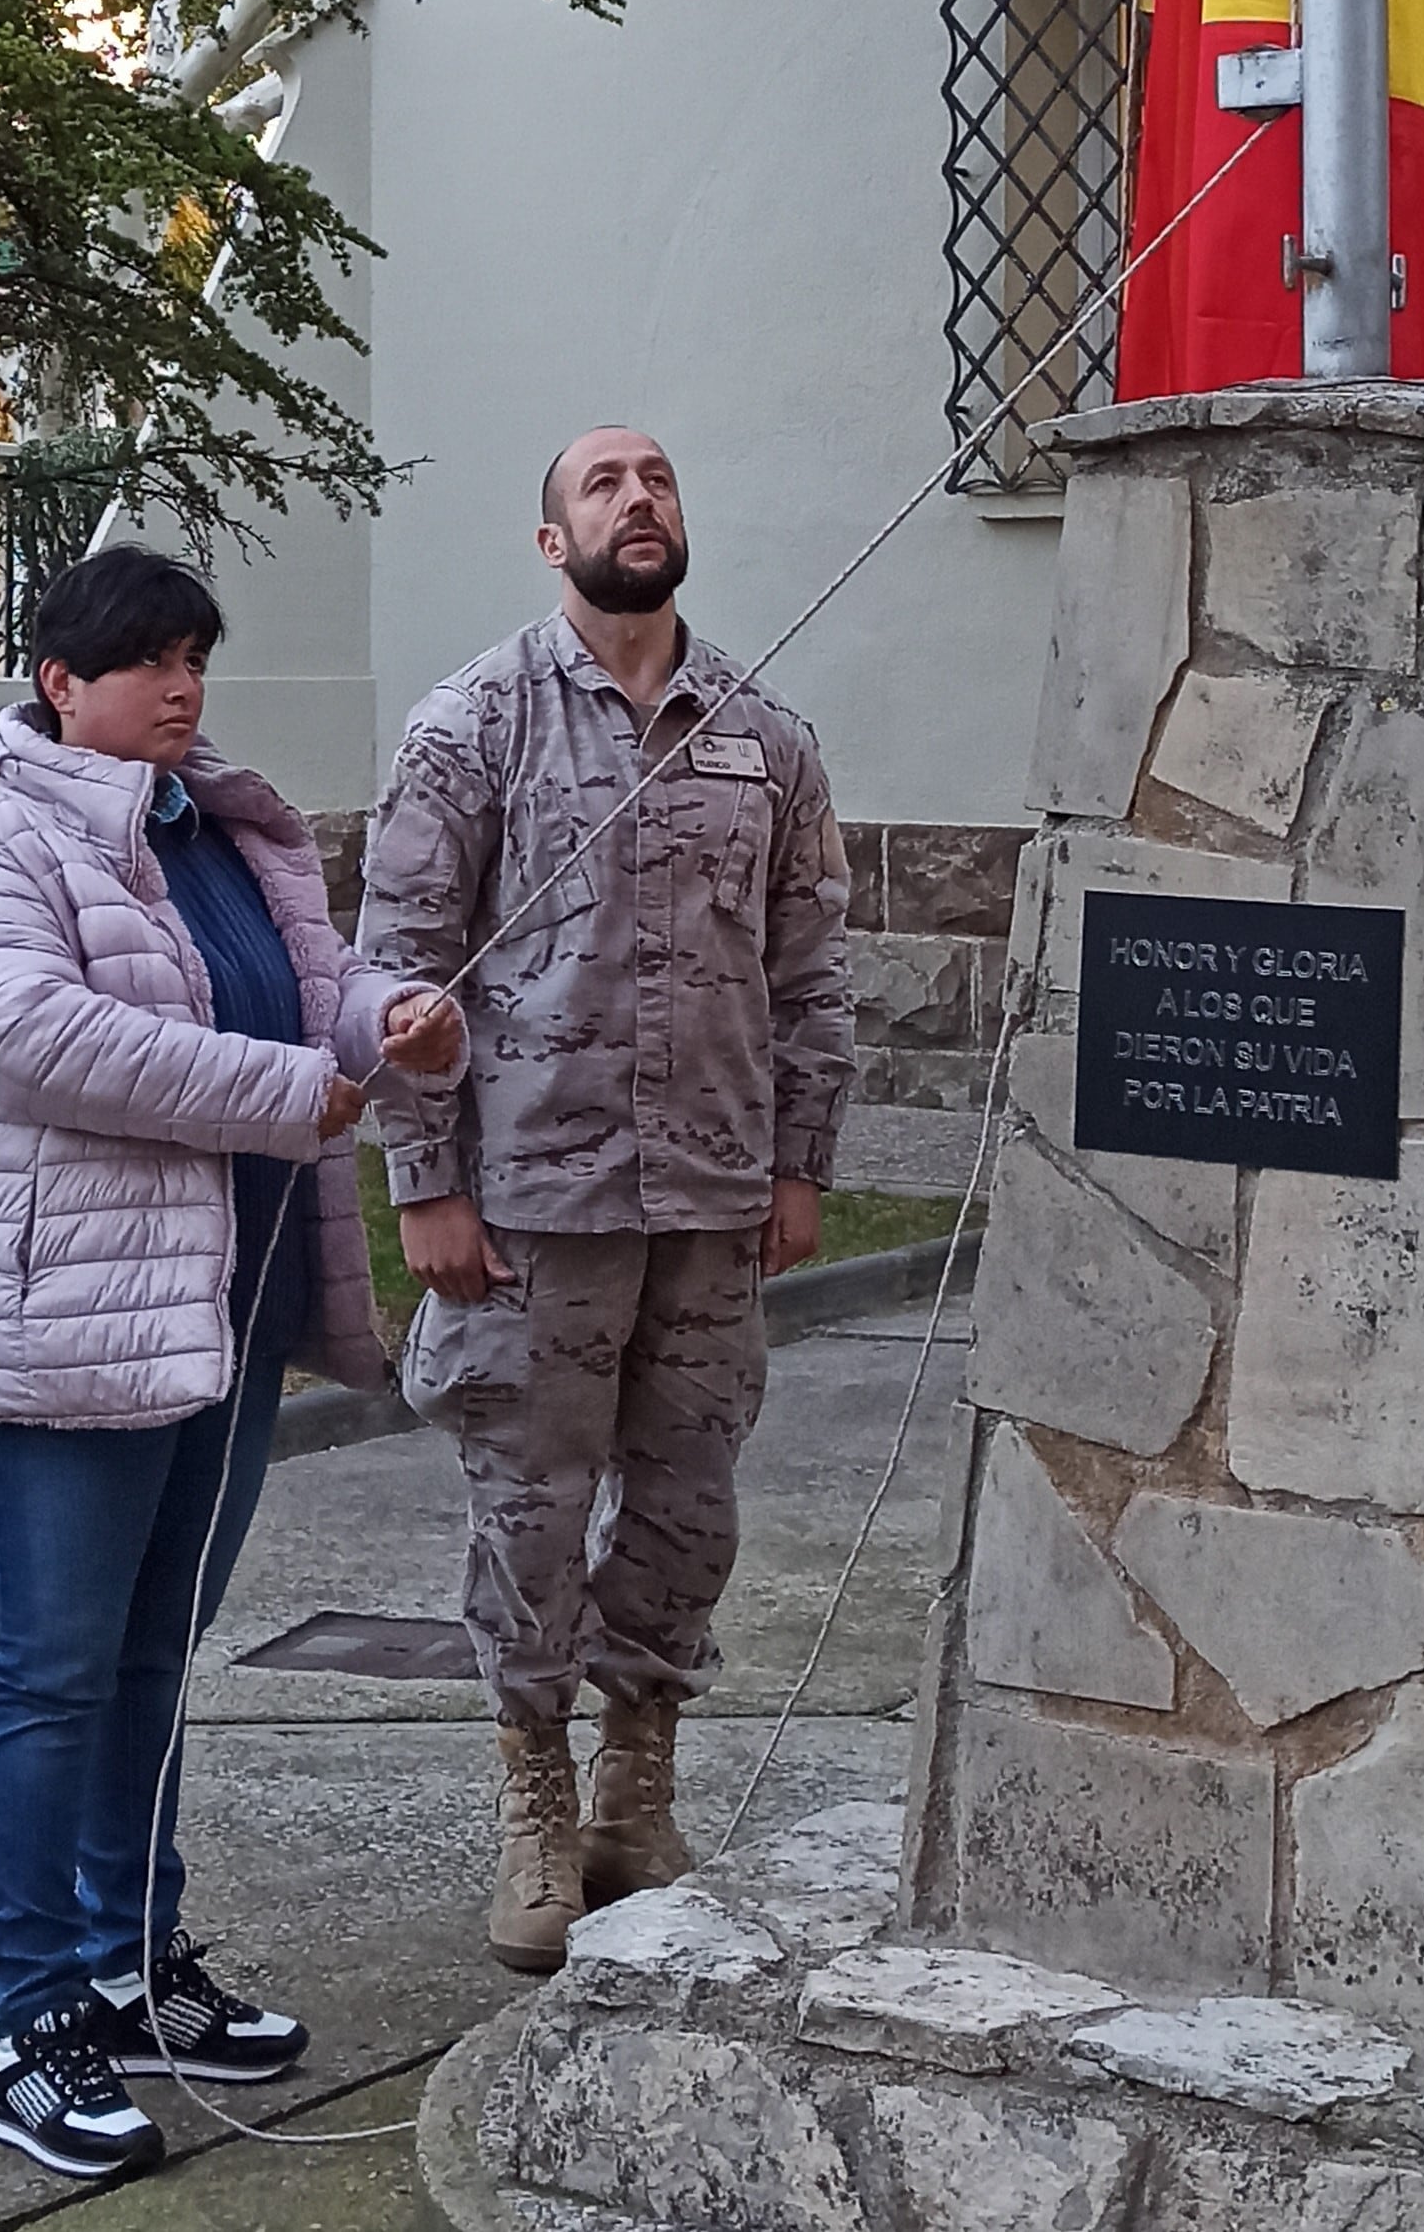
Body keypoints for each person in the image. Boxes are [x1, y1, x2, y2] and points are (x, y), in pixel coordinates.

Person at [0, 546, 462, 2184]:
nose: (182, 685)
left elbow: (307, 990)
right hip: (55, 1321)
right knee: (49, 1670)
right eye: (147, 659)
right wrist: (290, 1086)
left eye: (195, 656)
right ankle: (32, 2026)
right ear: (60, 683)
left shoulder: (216, 823)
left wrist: (391, 1018)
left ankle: (135, 1965)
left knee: (155, 1656)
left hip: (220, 1309)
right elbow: (29, 1030)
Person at [358, 425, 854, 1974]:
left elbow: (812, 969)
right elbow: (396, 966)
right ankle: (534, 1792)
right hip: (531, 1200)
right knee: (531, 1507)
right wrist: (425, 1178)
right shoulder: (473, 726)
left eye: (660, 479)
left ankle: (639, 1787)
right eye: (602, 484)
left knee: (688, 1507)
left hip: (709, 1198)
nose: (640, 500)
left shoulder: (762, 734)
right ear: (549, 536)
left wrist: (798, 1160)